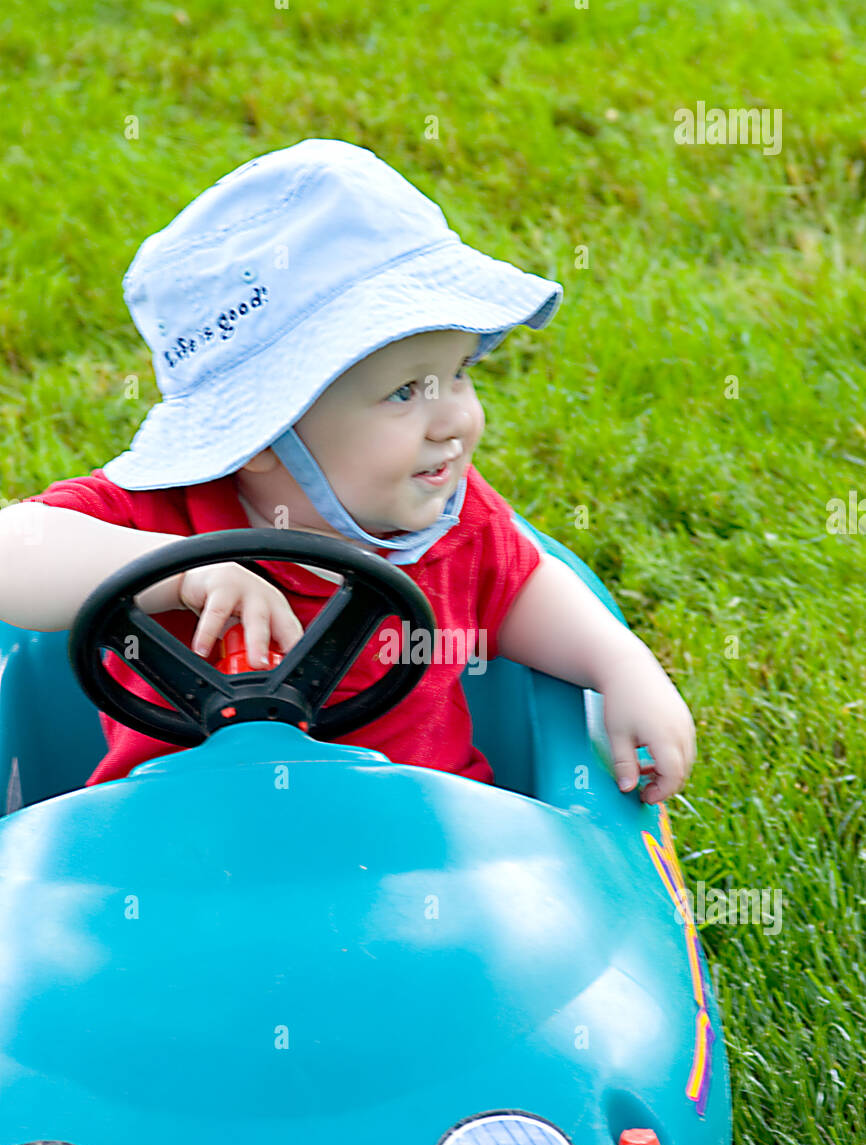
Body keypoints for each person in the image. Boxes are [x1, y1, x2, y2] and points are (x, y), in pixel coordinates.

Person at [0, 139, 695, 802]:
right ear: (261, 436)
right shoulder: (164, 514)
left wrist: (620, 665)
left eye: (457, 375)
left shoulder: (445, 523)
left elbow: (520, 588)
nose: (454, 418)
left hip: (427, 859)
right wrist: (179, 573)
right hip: (176, 862)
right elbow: (14, 552)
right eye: (403, 392)